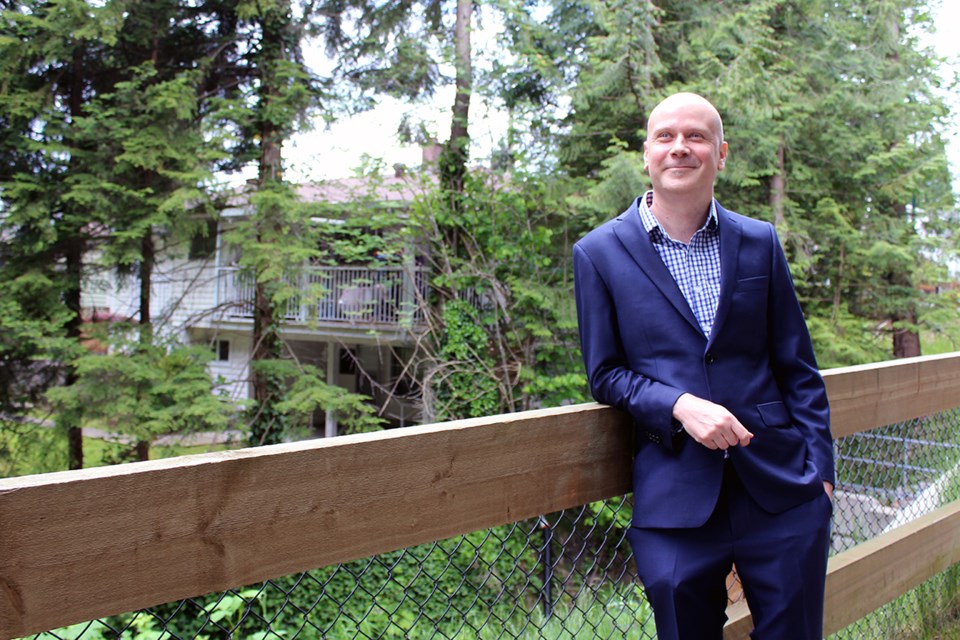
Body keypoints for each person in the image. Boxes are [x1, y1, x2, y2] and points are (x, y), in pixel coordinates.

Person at [572, 92, 835, 640]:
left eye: (695, 137)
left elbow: (798, 367)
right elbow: (606, 373)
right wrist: (677, 404)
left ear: (721, 153)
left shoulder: (759, 241)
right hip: (675, 496)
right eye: (665, 137)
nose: (679, 148)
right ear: (646, 153)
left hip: (781, 488)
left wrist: (822, 477)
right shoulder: (598, 252)